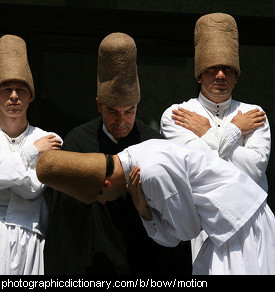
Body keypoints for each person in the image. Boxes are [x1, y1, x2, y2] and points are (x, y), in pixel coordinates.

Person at [43, 32, 191, 275]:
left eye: (129, 111)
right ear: (99, 104)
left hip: (144, 265)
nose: (122, 121)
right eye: (113, 111)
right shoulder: (77, 143)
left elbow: (173, 221)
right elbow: (65, 226)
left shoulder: (154, 144)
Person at [36, 139, 275, 275]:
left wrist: (143, 210)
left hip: (242, 228)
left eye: (99, 198)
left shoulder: (150, 174)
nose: (104, 203)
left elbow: (185, 233)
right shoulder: (137, 154)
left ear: (105, 184)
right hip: (229, 225)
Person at [160, 12, 271, 260]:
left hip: (252, 227)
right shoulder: (177, 114)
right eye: (212, 69)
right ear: (199, 75)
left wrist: (206, 132)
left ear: (236, 76)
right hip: (202, 229)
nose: (220, 75)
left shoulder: (253, 113)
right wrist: (235, 132)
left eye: (227, 69)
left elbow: (254, 169)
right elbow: (194, 169)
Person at [0, 34, 62, 275]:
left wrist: (8, 171)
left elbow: (33, 188)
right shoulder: (39, 144)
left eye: (20, 90)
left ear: (31, 96)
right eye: (6, 89)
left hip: (31, 236)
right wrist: (30, 153)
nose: (14, 96)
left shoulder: (50, 137)